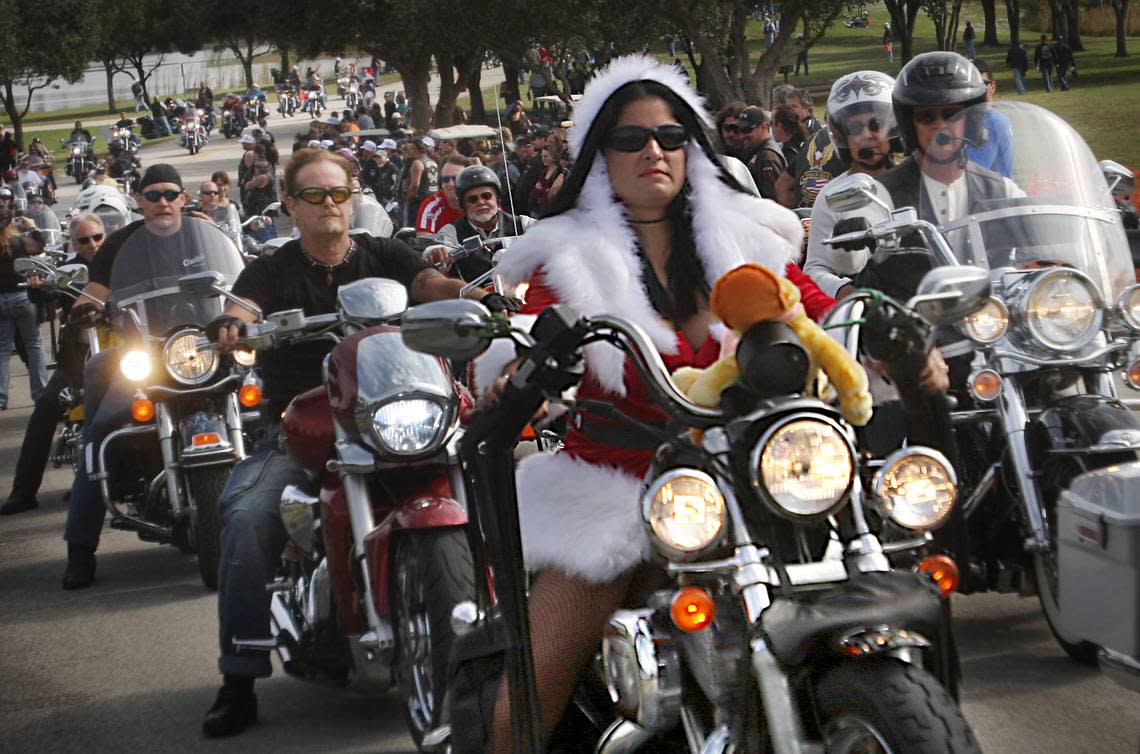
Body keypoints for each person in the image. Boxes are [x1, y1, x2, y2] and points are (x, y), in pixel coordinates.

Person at [473, 55, 808, 750]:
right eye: (631, 139)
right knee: (526, 700)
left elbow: (807, 305)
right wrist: (516, 364)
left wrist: (891, 328)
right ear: (600, 155)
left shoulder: (748, 238)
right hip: (619, 485)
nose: (653, 151)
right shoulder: (564, 256)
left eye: (671, 136)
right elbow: (527, 326)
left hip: (754, 477)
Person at [199, 148, 518, 738]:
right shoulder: (271, 270)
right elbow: (240, 306)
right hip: (306, 427)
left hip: (404, 411)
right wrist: (233, 325)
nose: (329, 206)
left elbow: (428, 280)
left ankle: (529, 634)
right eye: (314, 196)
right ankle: (238, 677)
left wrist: (472, 296)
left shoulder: (382, 252)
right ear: (291, 205)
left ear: (353, 197)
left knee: (517, 475)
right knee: (247, 516)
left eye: (339, 194)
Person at [59, 164, 212, 589]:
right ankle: (80, 547)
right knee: (102, 427)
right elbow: (97, 290)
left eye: (170, 194)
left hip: (201, 349)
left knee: (274, 409)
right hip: (143, 351)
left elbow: (240, 279)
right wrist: (84, 307)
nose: (162, 202)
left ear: (183, 196)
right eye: (152, 195)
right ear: (139, 201)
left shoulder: (205, 232)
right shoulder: (121, 245)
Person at [0, 213, 105, 515]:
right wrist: (39, 290)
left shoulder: (120, 263)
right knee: (46, 405)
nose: (92, 245)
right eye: (84, 240)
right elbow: (51, 298)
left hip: (122, 355)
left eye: (97, 237)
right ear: (74, 242)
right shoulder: (67, 269)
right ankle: (23, 491)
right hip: (78, 360)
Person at [804, 70, 903, 298]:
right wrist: (848, 291)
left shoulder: (920, 181)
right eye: (855, 128)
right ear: (841, 135)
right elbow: (814, 269)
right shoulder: (833, 195)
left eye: (876, 124)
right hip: (872, 311)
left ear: (895, 126)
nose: (867, 135)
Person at [432, 164, 535, 281]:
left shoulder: (522, 223)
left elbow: (548, 233)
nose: (481, 202)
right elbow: (438, 248)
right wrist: (438, 252)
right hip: (476, 295)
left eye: (486, 196)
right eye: (472, 199)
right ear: (463, 204)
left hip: (522, 291)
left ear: (497, 198)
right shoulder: (452, 231)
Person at [0, 207, 48, 412]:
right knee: (34, 345)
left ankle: (1, 397)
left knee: (2, 350)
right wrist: (34, 227)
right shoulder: (19, 241)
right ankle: (40, 393)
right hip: (22, 296)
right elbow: (40, 247)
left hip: (0, 300)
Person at [965, 60, 1014, 177]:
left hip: (991, 194)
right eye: (970, 85)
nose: (975, 91)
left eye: (981, 84)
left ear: (992, 87)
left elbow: (973, 172)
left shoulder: (992, 122)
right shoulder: (972, 119)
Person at [736, 106, 785, 201]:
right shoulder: (759, 152)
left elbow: (773, 199)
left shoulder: (767, 156)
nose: (742, 136)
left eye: (747, 129)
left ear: (764, 127)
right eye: (740, 130)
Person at [416, 154, 469, 236]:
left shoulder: (480, 200)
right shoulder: (432, 205)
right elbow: (424, 238)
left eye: (456, 178)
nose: (451, 184)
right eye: (445, 179)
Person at [405, 138, 439, 228]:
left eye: (410, 149)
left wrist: (408, 198)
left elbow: (415, 185)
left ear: (414, 149)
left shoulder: (417, 163)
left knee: (413, 226)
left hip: (420, 199)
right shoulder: (432, 161)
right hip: (433, 197)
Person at [528, 140, 566, 217]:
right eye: (542, 156)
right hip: (538, 209)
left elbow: (553, 193)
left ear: (554, 157)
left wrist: (543, 190)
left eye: (546, 156)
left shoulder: (559, 173)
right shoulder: (544, 172)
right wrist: (545, 190)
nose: (543, 159)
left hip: (550, 212)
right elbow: (535, 191)